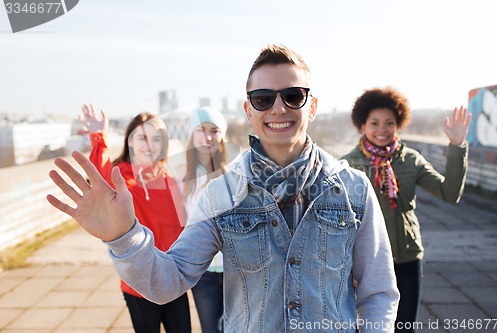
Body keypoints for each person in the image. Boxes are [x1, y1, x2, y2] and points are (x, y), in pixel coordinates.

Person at [47, 44, 400, 333]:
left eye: (293, 95)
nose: (279, 107)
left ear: (313, 107)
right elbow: (168, 281)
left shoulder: (353, 189)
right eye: (263, 98)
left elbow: (378, 291)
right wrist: (123, 236)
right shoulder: (220, 194)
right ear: (248, 110)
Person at [341, 87, 471, 332]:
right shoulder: (348, 165)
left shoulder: (411, 160)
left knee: (405, 327)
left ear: (398, 124)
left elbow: (450, 193)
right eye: (375, 123)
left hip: (407, 257)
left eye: (389, 123)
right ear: (362, 125)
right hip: (364, 262)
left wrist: (456, 145)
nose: (382, 129)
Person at [79, 105, 191, 333]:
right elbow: (101, 178)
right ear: (130, 142)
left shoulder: (171, 178)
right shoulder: (120, 177)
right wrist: (98, 136)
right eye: (142, 138)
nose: (149, 145)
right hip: (139, 283)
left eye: (156, 139)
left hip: (173, 278)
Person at [182, 107, 227, 333]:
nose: (208, 137)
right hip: (203, 274)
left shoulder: (233, 177)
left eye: (214, 130)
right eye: (201, 130)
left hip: (233, 271)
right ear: (192, 135)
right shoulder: (182, 182)